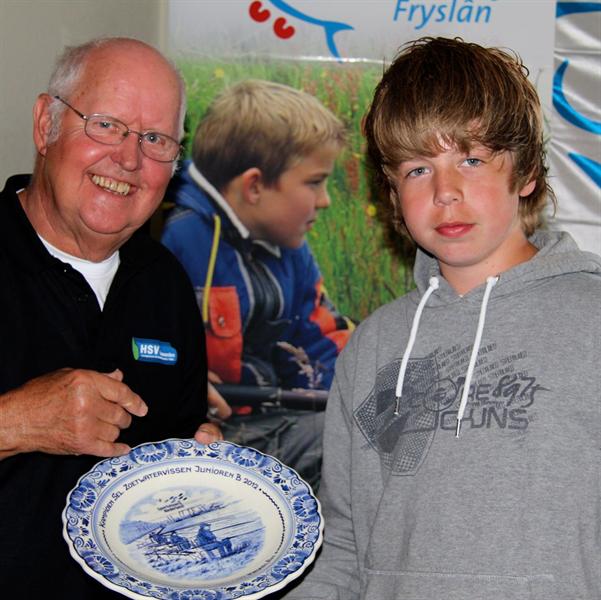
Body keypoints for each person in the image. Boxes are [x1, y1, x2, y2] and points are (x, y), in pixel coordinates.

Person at [283, 37, 601, 599]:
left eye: (471, 160)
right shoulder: (375, 345)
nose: (445, 193)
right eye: (417, 169)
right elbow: (347, 543)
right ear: (391, 190)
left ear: (526, 171)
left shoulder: (590, 320)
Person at [0, 37, 221, 598]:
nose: (129, 159)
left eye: (155, 139)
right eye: (106, 125)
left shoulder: (166, 284)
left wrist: (199, 474)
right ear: (46, 124)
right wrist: (17, 422)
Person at [161, 80, 353, 487]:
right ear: (254, 186)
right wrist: (178, 379)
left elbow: (322, 339)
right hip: (192, 437)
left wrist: (366, 389)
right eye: (314, 182)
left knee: (358, 439)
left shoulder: (291, 246)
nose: (325, 200)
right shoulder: (173, 236)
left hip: (268, 423)